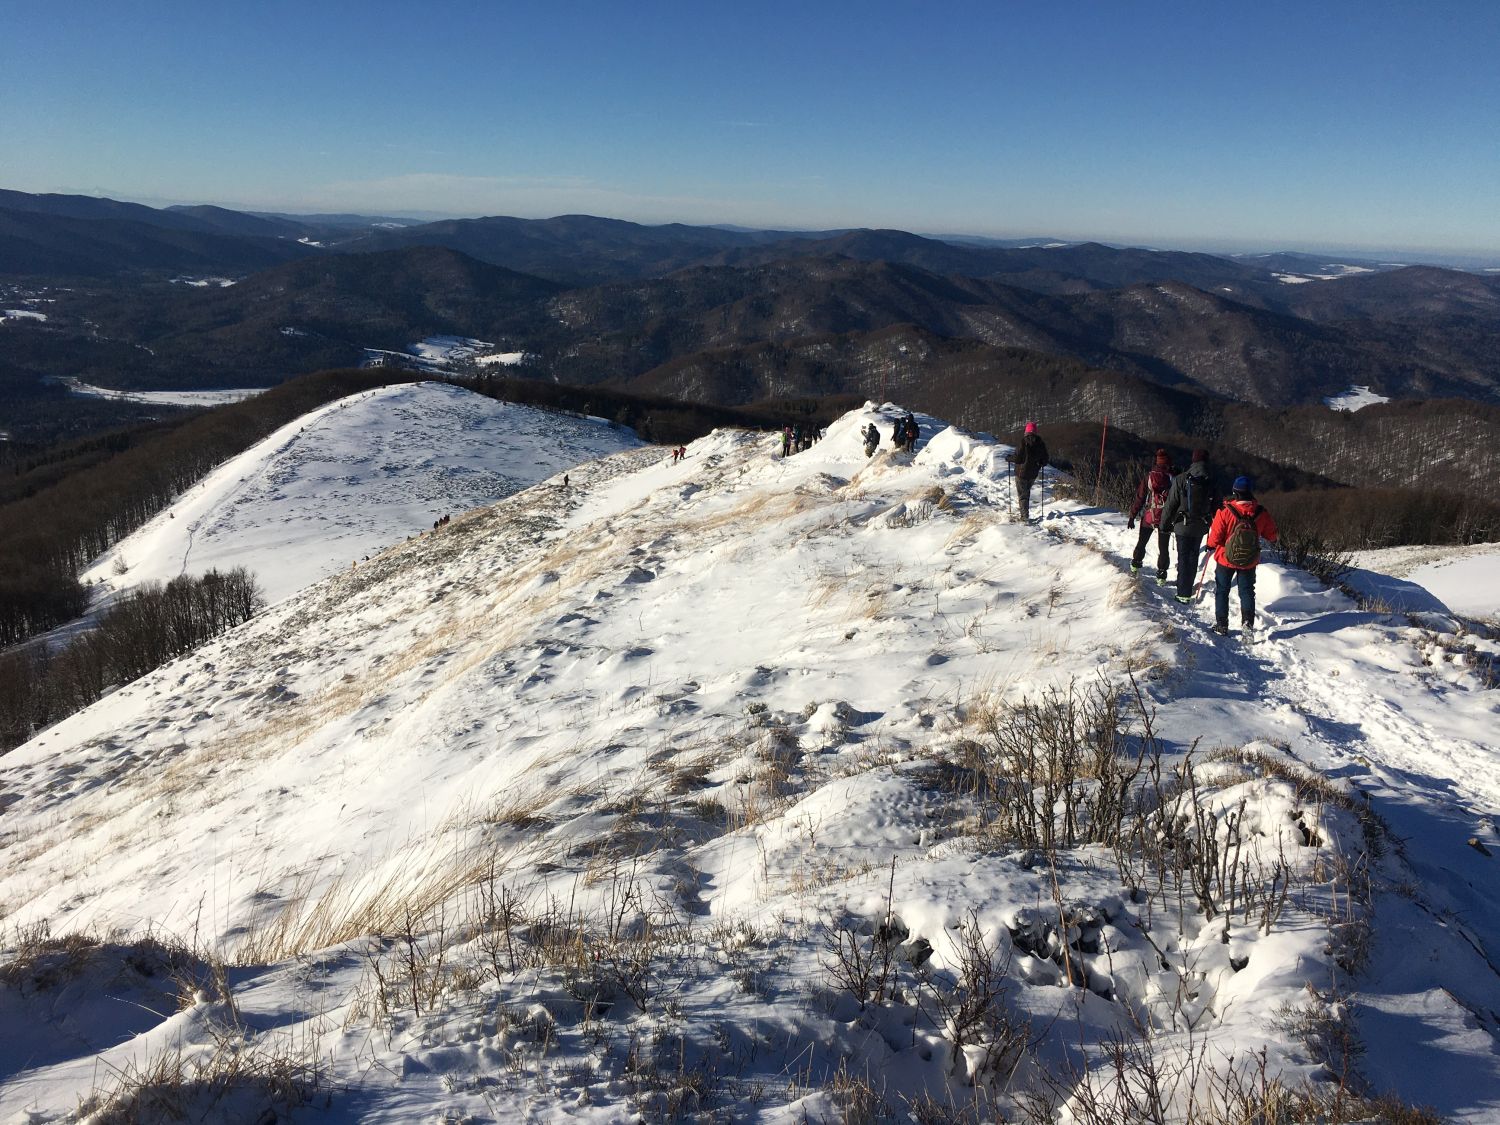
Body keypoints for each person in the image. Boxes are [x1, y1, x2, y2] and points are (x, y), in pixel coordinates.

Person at [1205, 475, 1278, 635]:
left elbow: (1215, 537)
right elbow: (1272, 536)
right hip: (1249, 560)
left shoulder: (1225, 512)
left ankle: (1222, 625)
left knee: (1222, 590)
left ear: (1234, 492)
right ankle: (1247, 626)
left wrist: (1210, 545)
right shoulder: (1261, 512)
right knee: (1246, 591)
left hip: (1225, 558)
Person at [1159, 449, 1222, 602]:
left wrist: (1164, 525)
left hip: (1182, 524)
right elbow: (1217, 508)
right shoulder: (1212, 481)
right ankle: (1186, 588)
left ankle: (1183, 593)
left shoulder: (1181, 479)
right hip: (1201, 526)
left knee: (1183, 557)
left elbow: (1170, 505)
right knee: (1193, 557)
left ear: (1193, 461)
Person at [1127, 449, 1176, 583]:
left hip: (1149, 516)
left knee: (1142, 542)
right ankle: (1161, 576)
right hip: (1165, 518)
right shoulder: (1173, 478)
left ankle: (1135, 566)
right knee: (1163, 548)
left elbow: (1140, 498)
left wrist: (1132, 516)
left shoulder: (1149, 477)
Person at [1009, 422, 1048, 521]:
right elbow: (1045, 459)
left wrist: (1009, 458)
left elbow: (1018, 459)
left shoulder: (1023, 442)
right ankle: (1025, 514)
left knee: (1022, 495)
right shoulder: (1040, 443)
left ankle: (1024, 517)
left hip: (1021, 473)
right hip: (1033, 473)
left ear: (1026, 431)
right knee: (1026, 493)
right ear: (1035, 431)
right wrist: (1040, 462)